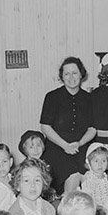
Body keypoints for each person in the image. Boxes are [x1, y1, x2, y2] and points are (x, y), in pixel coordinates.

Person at [39, 56, 96, 192]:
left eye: (75, 73)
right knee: (74, 176)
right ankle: (67, 212)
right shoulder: (52, 97)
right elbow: (45, 126)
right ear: (62, 77)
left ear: (81, 74)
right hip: (57, 147)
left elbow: (93, 128)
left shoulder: (89, 98)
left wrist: (79, 143)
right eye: (67, 74)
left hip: (80, 146)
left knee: (91, 177)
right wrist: (65, 145)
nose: (71, 77)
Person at [65, 141, 108, 208]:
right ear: (89, 163)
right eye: (96, 161)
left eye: (103, 161)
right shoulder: (87, 178)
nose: (100, 164)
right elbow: (87, 197)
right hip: (92, 208)